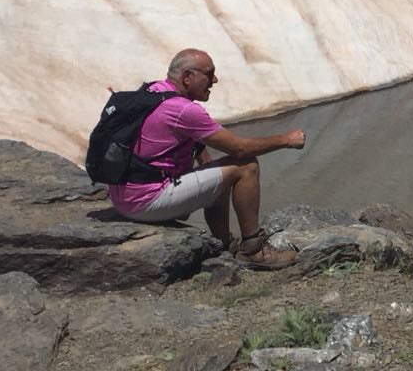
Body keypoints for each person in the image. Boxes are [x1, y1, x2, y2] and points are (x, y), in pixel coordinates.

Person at [106, 48, 305, 270]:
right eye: (209, 74)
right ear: (187, 77)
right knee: (246, 166)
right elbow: (240, 148)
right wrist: (286, 139)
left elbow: (189, 143)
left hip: (124, 196)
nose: (215, 80)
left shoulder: (154, 91)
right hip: (145, 202)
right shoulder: (183, 110)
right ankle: (253, 249)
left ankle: (224, 245)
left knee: (221, 173)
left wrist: (213, 174)